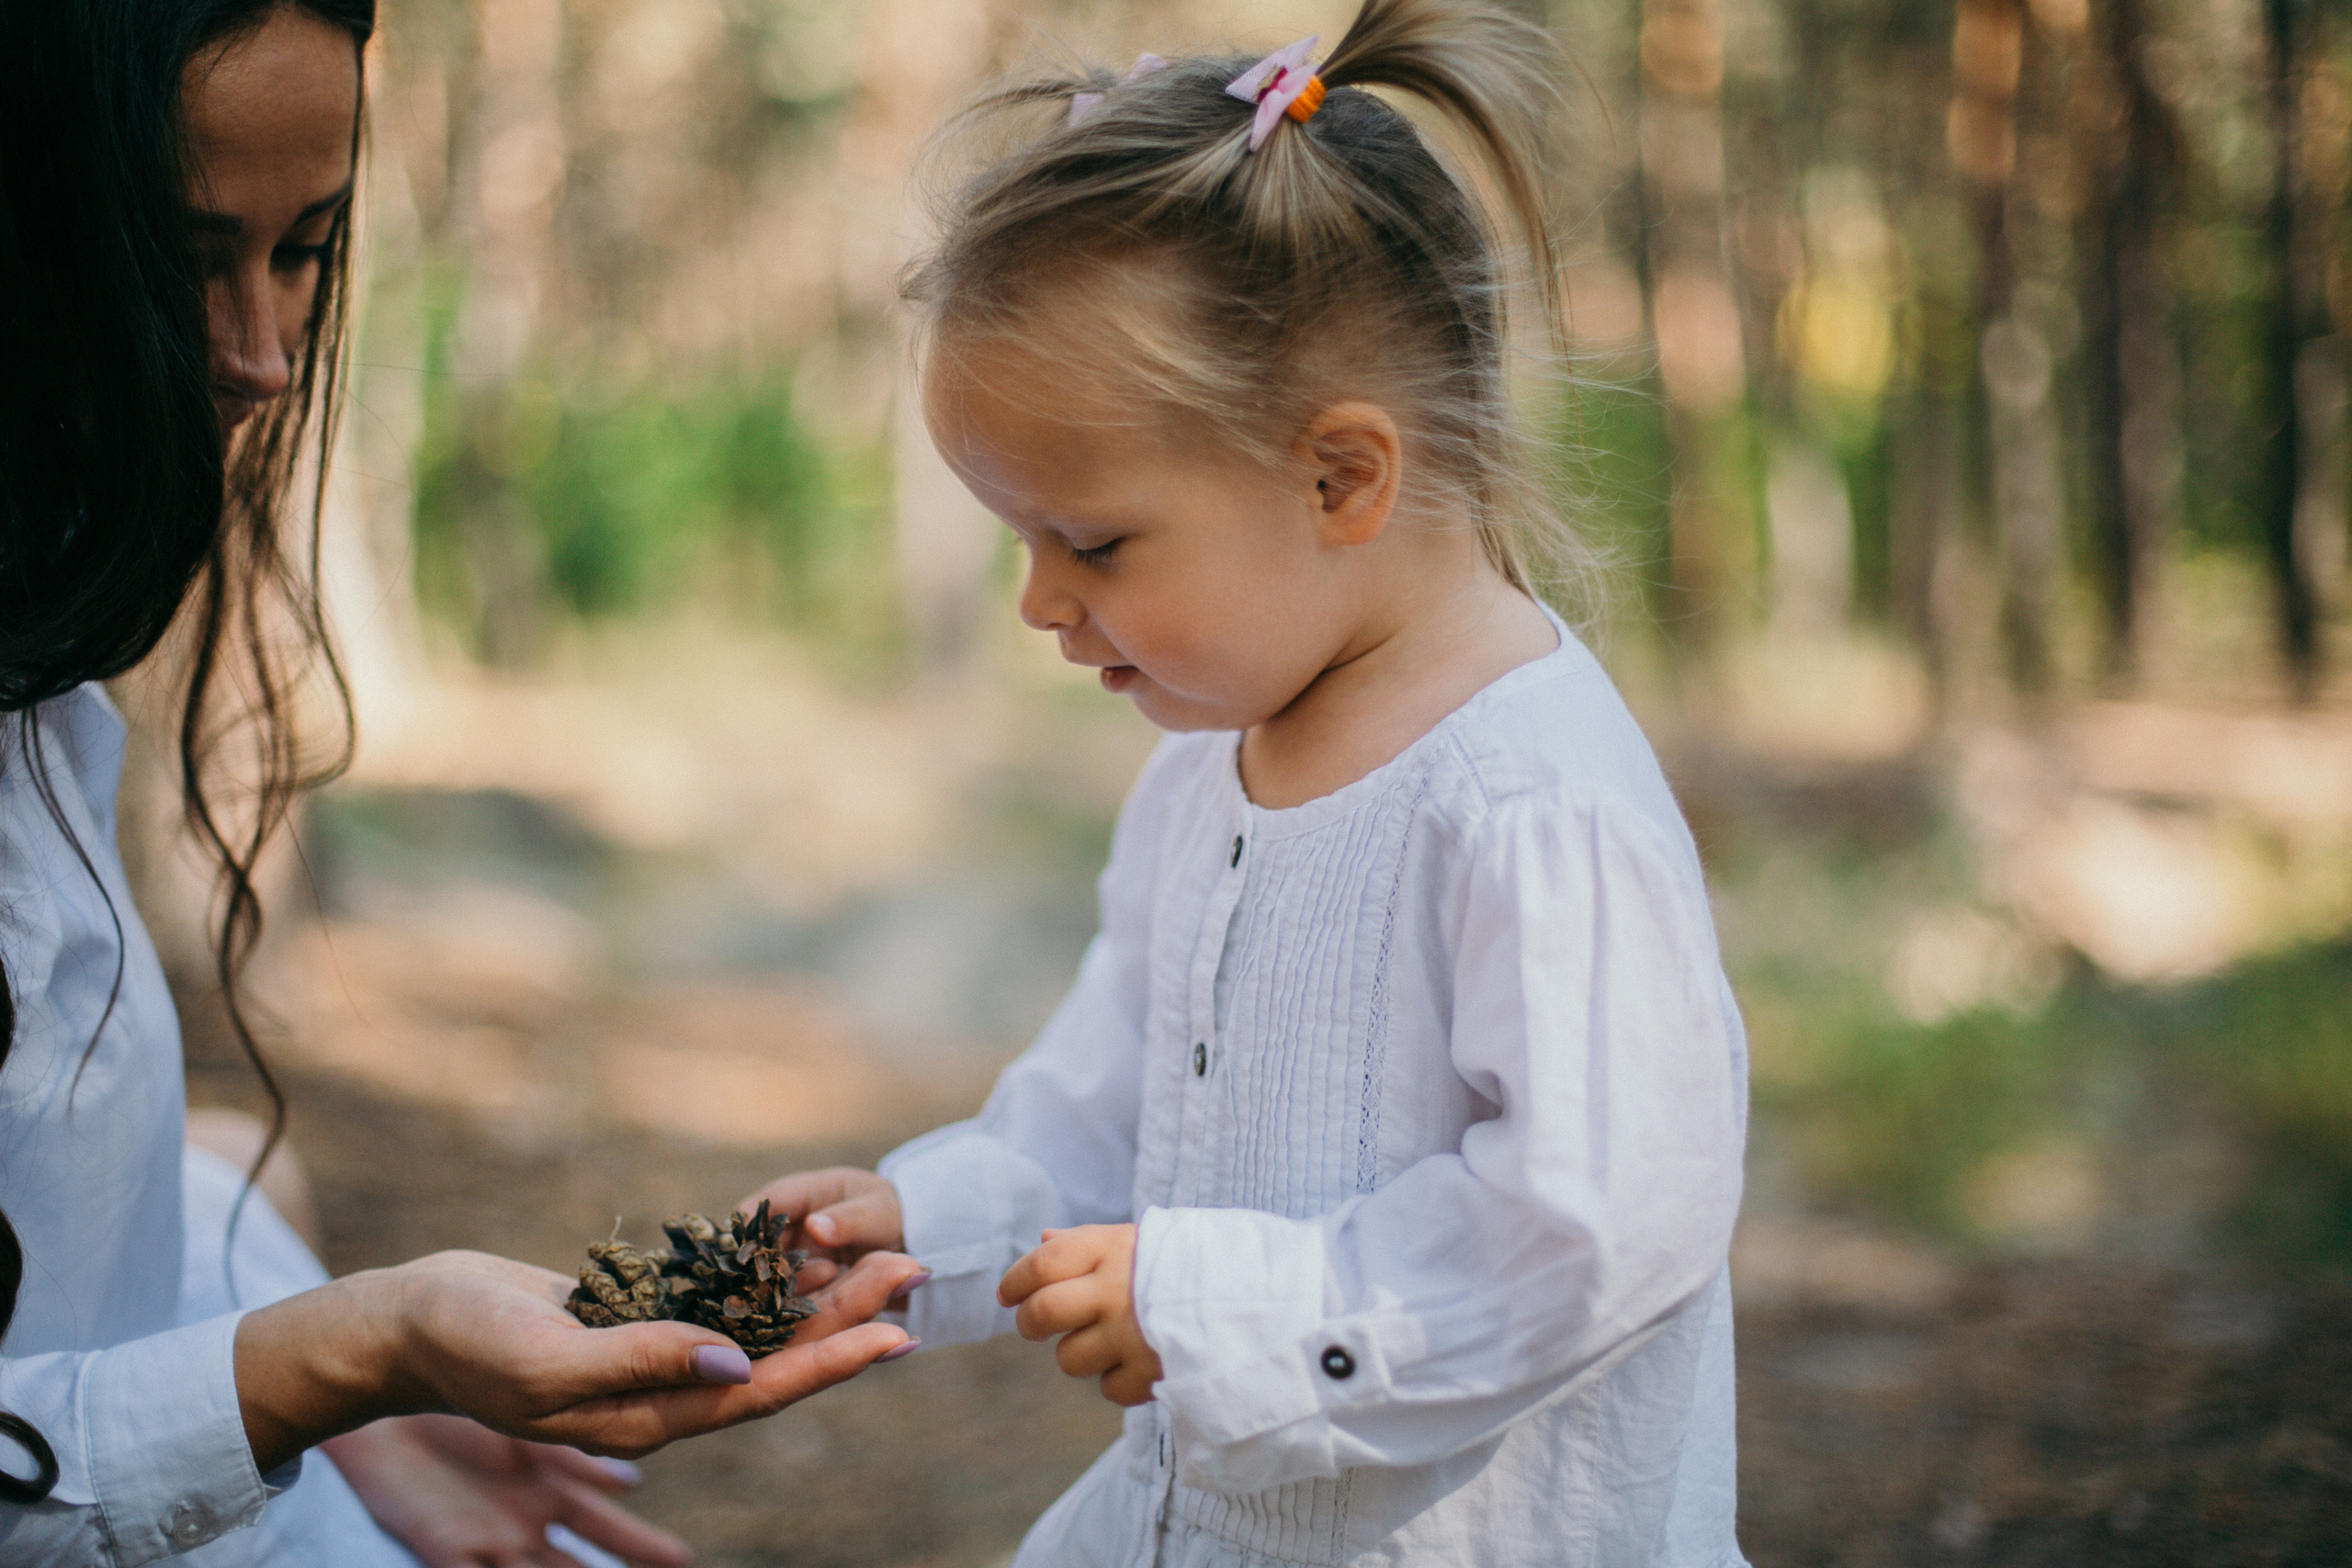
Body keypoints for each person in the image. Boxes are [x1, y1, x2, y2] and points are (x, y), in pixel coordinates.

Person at [746, 2, 1751, 1563]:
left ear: (1342, 476)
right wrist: (928, 1227)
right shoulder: (1208, 768)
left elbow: (1601, 1222)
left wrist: (1236, 1313)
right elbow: (1115, 1098)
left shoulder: (1527, 808)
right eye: (1021, 542)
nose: (1039, 603)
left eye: (1094, 543)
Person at [0, 3, 922, 1563]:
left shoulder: (47, 683)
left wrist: (322, 1405)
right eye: (181, 259)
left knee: (238, 1153)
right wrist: (347, 1357)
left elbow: (77, 1227)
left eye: (305, 251)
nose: (263, 355)